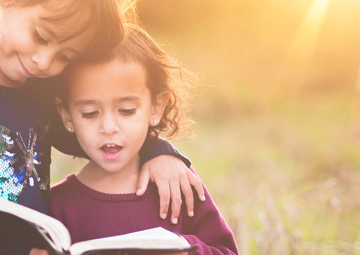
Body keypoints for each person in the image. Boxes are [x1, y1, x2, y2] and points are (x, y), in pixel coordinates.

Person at [0, 0, 206, 254]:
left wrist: (159, 152)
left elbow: (95, 137)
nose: (45, 61)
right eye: (41, 36)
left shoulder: (36, 83)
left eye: (65, 56)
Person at [45, 24, 239, 255]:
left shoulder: (175, 183)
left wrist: (185, 251)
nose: (108, 128)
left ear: (156, 106)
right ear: (66, 115)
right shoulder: (59, 205)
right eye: (90, 113)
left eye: (126, 110)